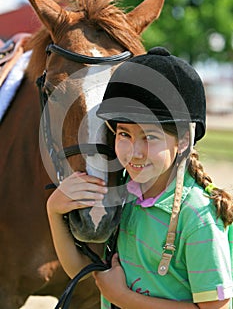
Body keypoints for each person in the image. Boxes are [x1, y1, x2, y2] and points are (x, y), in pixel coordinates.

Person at [47, 47, 233, 309]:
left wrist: (124, 299)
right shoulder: (126, 194)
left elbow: (216, 308)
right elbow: (88, 273)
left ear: (182, 141)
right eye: (124, 134)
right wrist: (54, 212)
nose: (134, 152)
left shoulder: (198, 218)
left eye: (150, 137)